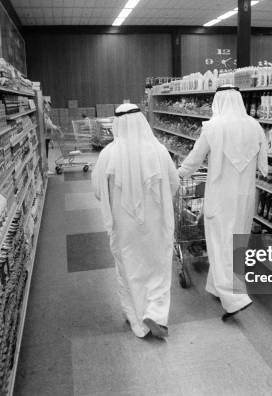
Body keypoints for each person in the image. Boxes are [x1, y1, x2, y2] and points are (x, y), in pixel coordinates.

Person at [178, 85, 268, 321]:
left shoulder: (213, 127)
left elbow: (194, 160)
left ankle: (233, 299)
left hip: (220, 195)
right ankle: (219, 287)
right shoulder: (254, 125)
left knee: (219, 243)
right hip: (246, 195)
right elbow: (264, 164)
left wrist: (177, 174)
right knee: (238, 241)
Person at [92, 103, 179, 338]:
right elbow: (174, 183)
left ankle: (137, 319)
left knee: (129, 267)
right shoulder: (159, 150)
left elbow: (98, 190)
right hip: (157, 222)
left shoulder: (108, 153)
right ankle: (156, 312)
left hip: (124, 226)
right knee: (158, 266)